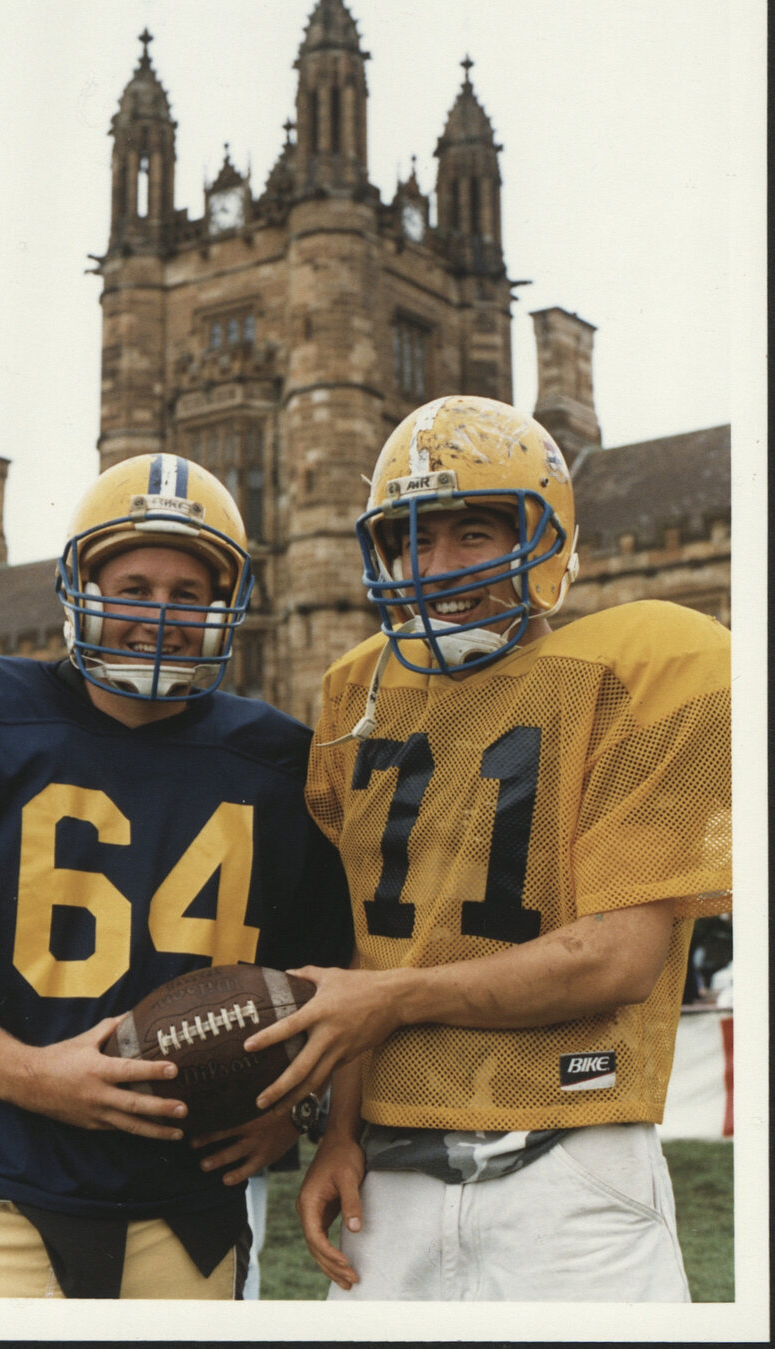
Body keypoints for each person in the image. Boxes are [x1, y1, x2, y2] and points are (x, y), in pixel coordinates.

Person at [245, 395, 732, 1302]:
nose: (438, 568)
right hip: (385, 1177)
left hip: (568, 1162)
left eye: (473, 533)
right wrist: (341, 1130)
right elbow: (369, 947)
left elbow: (616, 959)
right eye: (413, 540)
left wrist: (387, 1000)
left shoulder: (645, 670)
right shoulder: (359, 694)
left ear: (547, 538)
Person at [0, 453, 352, 1299]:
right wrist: (29, 1075)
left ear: (226, 606)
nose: (160, 614)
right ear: (81, 587)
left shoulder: (280, 761)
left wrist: (293, 1108)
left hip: (188, 1204)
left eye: (189, 593)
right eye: (136, 583)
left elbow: (336, 975)